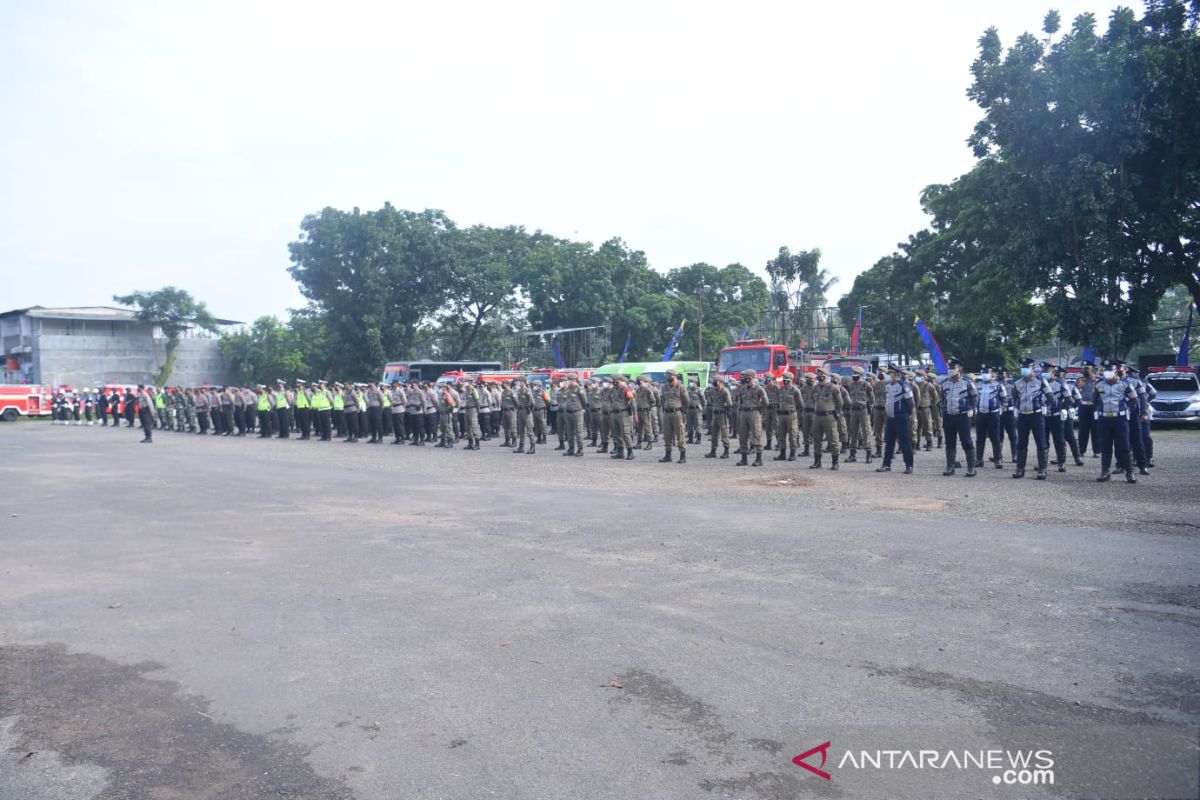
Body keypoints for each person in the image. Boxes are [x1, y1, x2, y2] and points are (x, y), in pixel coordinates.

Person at [1093, 362, 1138, 483]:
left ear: (1116, 371)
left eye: (1111, 370)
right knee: (1105, 446)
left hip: (1120, 419)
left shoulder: (1124, 384)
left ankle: (1130, 473)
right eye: (1106, 370)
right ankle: (1105, 472)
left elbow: (1134, 399)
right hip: (1104, 420)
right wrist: (1099, 409)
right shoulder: (1099, 384)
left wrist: (1124, 408)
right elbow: (1094, 399)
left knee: (1124, 446)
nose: (1107, 373)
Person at [1010, 357, 1051, 479]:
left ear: (1033, 368)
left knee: (1041, 442)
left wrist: (1043, 406)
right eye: (1022, 367)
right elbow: (1015, 398)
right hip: (1023, 416)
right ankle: (1020, 469)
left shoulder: (1041, 381)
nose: (1024, 370)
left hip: (1036, 415)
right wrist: (1017, 408)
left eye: (1026, 367)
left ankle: (1042, 470)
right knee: (1021, 443)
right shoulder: (1017, 382)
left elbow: (1050, 398)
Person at [938, 358, 978, 477]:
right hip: (949, 416)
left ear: (959, 369)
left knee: (966, 441)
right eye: (949, 368)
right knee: (949, 442)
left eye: (953, 368)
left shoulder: (967, 383)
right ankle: (950, 466)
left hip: (963, 416)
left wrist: (971, 411)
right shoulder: (945, 383)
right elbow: (942, 398)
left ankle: (971, 467)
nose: (950, 370)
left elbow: (975, 398)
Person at [876, 364, 915, 474]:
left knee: (905, 443)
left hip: (902, 417)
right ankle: (886, 464)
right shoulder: (888, 385)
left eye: (891, 373)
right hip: (890, 418)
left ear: (897, 374)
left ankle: (909, 465)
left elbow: (910, 403)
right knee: (889, 442)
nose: (889, 375)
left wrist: (906, 415)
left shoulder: (903, 385)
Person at [974, 365, 1006, 469]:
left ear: (992, 374)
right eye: (982, 372)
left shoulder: (998, 385)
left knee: (995, 437)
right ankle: (979, 459)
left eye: (986, 372)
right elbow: (975, 398)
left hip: (993, 413)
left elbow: (1004, 398)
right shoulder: (978, 385)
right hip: (981, 413)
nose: (984, 375)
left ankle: (998, 459)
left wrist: (1001, 408)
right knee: (980, 438)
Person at [808, 369, 841, 470]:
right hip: (817, 416)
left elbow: (840, 402)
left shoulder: (833, 388)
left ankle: (835, 462)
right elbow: (813, 400)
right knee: (816, 439)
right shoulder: (815, 388)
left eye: (821, 376)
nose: (819, 378)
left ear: (826, 377)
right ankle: (817, 461)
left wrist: (836, 413)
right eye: (818, 376)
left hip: (829, 416)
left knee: (833, 439)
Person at [735, 369, 769, 467]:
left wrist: (759, 411)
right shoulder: (742, 389)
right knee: (743, 436)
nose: (743, 379)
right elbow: (739, 401)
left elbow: (766, 402)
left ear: (750, 378)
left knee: (756, 435)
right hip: (743, 413)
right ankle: (744, 459)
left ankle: (759, 459)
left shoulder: (759, 389)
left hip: (754, 412)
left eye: (745, 378)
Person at [658, 369, 689, 464]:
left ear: (674, 375)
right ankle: (668, 455)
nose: (668, 377)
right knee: (667, 435)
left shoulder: (681, 387)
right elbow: (662, 399)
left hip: (677, 413)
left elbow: (686, 400)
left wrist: (683, 411)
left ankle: (682, 456)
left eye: (670, 375)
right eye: (667, 375)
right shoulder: (664, 387)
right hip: (667, 413)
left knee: (680, 434)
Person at [845, 367, 873, 463]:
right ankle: (852, 455)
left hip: (863, 410)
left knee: (865, 431)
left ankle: (868, 454)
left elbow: (872, 398)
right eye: (853, 373)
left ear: (860, 375)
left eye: (855, 374)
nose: (853, 375)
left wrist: (864, 403)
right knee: (853, 432)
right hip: (854, 411)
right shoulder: (851, 385)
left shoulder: (866, 385)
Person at [774, 372, 804, 461]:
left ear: (790, 380)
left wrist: (794, 412)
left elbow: (801, 404)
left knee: (792, 434)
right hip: (781, 415)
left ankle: (792, 454)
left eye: (786, 379)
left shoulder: (795, 390)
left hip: (791, 414)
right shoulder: (781, 390)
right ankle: (782, 454)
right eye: (783, 379)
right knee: (781, 434)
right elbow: (778, 401)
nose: (784, 381)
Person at [558, 374, 587, 457]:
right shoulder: (568, 389)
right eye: (568, 380)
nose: (568, 381)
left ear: (574, 380)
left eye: (570, 380)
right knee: (569, 431)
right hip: (568, 412)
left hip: (577, 412)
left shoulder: (579, 389)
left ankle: (580, 449)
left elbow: (584, 401)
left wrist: (583, 409)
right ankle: (571, 448)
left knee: (578, 432)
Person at [705, 376, 733, 459]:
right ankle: (713, 451)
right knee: (714, 433)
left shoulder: (725, 391)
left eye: (716, 383)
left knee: (724, 433)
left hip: (722, 414)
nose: (715, 386)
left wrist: (726, 411)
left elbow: (729, 404)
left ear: (721, 383)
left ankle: (726, 451)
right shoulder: (713, 390)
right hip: (715, 414)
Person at [610, 374, 636, 460]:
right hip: (614, 413)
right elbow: (611, 400)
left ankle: (630, 452)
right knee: (616, 433)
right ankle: (620, 452)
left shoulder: (626, 389)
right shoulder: (613, 389)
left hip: (623, 413)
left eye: (616, 380)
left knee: (625, 433)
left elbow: (632, 402)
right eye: (613, 380)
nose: (614, 381)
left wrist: (634, 414)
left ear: (620, 380)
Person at [1076, 361, 1100, 458]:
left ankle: (1097, 451)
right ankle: (1081, 451)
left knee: (1096, 429)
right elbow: (1076, 391)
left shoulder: (1097, 380)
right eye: (1084, 368)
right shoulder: (1081, 379)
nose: (1085, 370)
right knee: (1083, 430)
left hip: (1095, 407)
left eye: (1087, 368)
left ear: (1092, 369)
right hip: (1083, 406)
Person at [686, 377, 706, 445]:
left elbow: (703, 400)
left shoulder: (699, 390)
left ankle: (698, 439)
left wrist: (701, 407)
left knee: (698, 424)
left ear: (695, 382)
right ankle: (690, 438)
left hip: (696, 409)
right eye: (689, 382)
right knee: (689, 424)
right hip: (689, 409)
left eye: (691, 382)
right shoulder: (688, 389)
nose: (689, 383)